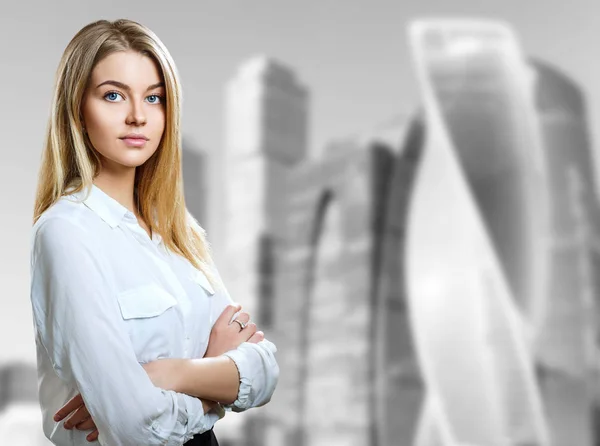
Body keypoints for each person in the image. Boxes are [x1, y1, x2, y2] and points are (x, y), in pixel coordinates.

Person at [29, 18, 279, 446]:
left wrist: (170, 373)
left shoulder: (182, 234)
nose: (137, 116)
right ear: (76, 108)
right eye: (113, 95)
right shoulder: (67, 233)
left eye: (154, 98)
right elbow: (134, 426)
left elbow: (266, 368)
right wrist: (213, 382)